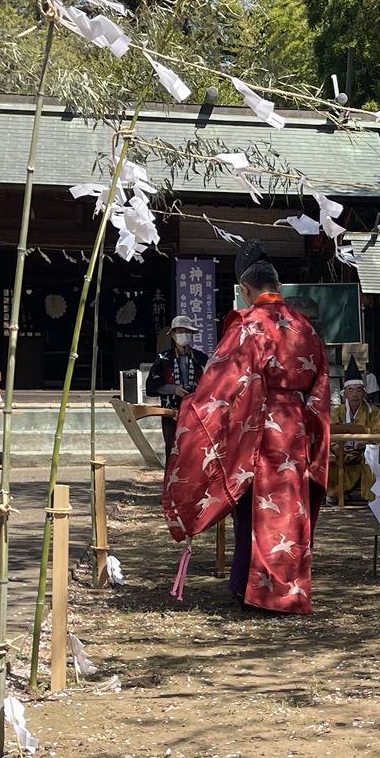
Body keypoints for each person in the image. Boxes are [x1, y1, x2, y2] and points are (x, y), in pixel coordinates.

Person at [163, 241, 330, 614]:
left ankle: (253, 591)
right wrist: (313, 431)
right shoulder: (304, 327)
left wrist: (192, 408)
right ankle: (287, 591)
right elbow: (320, 387)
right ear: (279, 287)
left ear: (245, 289)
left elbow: (223, 384)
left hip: (260, 427)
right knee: (290, 510)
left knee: (254, 509)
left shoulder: (249, 325)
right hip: (296, 427)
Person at [326, 363, 380, 502]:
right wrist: (336, 447)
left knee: (371, 458)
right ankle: (333, 494)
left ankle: (371, 497)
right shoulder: (337, 412)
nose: (355, 394)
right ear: (345, 394)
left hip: (364, 451)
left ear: (364, 393)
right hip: (341, 451)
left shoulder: (373, 412)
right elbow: (329, 432)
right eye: (351, 390)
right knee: (328, 460)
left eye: (358, 390)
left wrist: (366, 444)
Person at [147, 315, 207, 461]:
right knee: (172, 448)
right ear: (173, 335)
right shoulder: (163, 358)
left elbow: (210, 384)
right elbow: (151, 387)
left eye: (187, 331)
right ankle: (170, 475)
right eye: (180, 331)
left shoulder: (201, 358)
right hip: (170, 412)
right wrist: (173, 389)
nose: (184, 335)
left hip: (195, 411)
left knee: (195, 449)